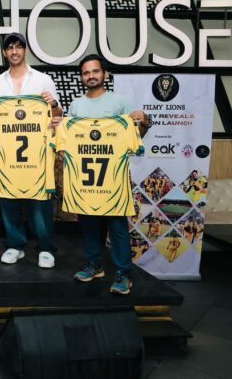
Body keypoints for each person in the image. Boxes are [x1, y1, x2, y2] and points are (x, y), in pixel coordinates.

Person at [57, 54, 150, 295]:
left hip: (113, 178)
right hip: (85, 176)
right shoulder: (76, 106)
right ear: (81, 77)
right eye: (86, 73)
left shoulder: (120, 103)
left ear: (105, 74)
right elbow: (69, 139)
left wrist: (144, 122)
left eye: (95, 71)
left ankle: (123, 272)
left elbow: (136, 137)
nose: (91, 76)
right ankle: (94, 264)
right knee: (88, 223)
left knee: (117, 226)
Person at [0, 32, 61, 269]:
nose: (14, 51)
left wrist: (53, 104)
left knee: (40, 203)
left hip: (37, 153)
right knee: (8, 200)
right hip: (7, 154)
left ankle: (46, 247)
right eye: (10, 48)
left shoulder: (43, 80)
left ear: (25, 50)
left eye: (18, 47)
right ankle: (15, 245)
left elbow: (57, 116)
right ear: (4, 53)